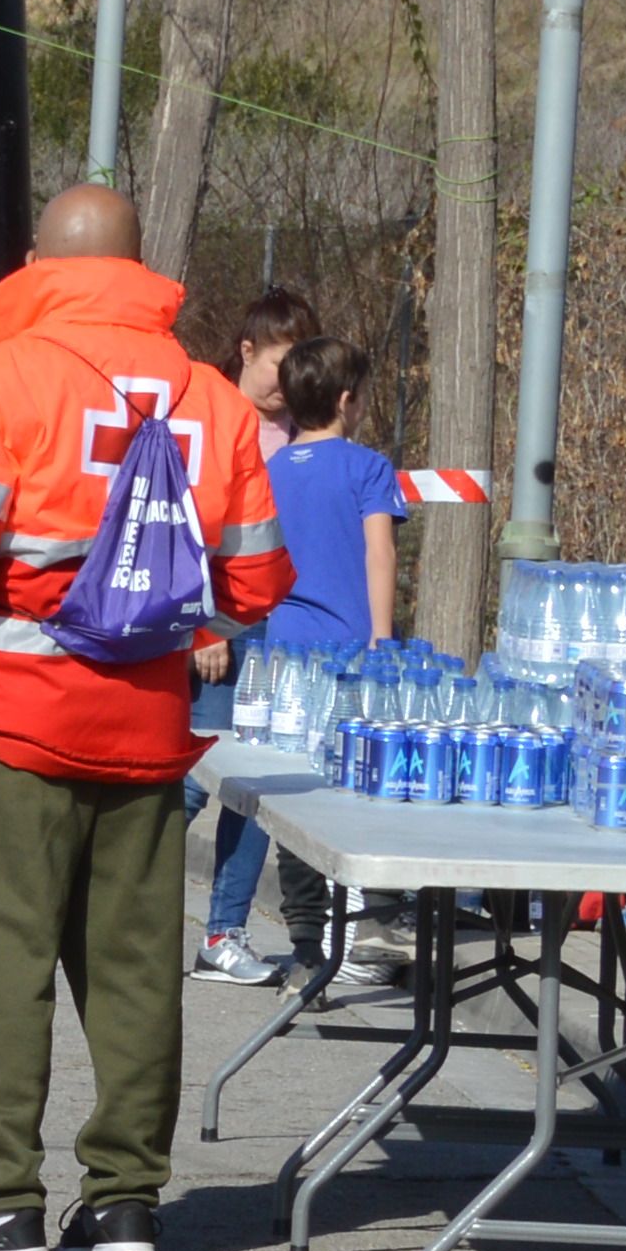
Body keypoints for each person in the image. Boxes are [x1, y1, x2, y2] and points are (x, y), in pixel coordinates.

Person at [0, 182, 289, 1251]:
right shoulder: (210, 396)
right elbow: (252, 581)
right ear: (138, 267)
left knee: (2, 966)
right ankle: (124, 1207)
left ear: (35, 262)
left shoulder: (2, 377)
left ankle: (1, 1206)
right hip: (148, 723)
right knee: (135, 971)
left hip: (7, 719)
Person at [195, 325, 399, 987]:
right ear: (348, 401)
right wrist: (382, 638)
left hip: (275, 654)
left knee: (275, 803)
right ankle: (341, 937)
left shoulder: (269, 469)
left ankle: (277, 934)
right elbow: (378, 553)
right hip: (343, 653)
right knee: (346, 795)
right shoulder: (369, 468)